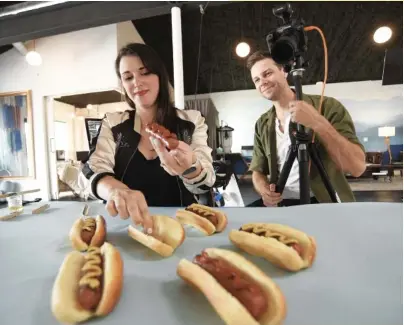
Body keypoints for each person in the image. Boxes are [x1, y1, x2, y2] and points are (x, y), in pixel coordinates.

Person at [82, 43, 215, 232]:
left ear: (159, 75)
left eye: (145, 72)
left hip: (184, 226)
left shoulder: (191, 121)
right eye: (128, 77)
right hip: (127, 226)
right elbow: (94, 169)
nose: (137, 82)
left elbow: (207, 181)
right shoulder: (113, 124)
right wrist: (114, 189)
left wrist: (190, 167)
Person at [246, 50, 366, 207]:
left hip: (325, 202)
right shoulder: (262, 124)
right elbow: (258, 170)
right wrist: (264, 190)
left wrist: (318, 123)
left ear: (284, 71)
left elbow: (357, 167)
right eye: (256, 80)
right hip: (282, 203)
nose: (262, 82)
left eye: (267, 73)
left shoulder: (327, 107)